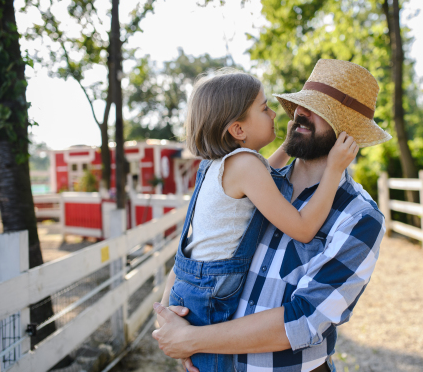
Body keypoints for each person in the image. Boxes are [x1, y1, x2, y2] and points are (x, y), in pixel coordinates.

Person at [153, 59, 392, 372]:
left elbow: (304, 319)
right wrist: (174, 320)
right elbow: (199, 248)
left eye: (318, 109)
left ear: (348, 133)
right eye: (300, 105)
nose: (297, 113)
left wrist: (193, 340)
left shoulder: (360, 218)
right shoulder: (257, 183)